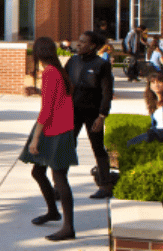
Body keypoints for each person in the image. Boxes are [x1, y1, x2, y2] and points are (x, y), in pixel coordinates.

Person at [20, 36, 78, 241]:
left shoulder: (50, 73)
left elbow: (48, 109)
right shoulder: (58, 71)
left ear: (38, 53)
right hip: (58, 128)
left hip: (56, 130)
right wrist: (37, 91)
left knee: (60, 178)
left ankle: (69, 228)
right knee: (38, 171)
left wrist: (35, 138)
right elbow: (55, 99)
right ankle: (53, 212)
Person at [64, 31, 115, 199]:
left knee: (97, 147)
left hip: (93, 113)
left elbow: (107, 92)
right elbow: (64, 83)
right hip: (73, 112)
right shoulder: (73, 61)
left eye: (83, 41)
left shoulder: (101, 64)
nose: (78, 44)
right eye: (78, 40)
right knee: (67, 146)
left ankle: (105, 185)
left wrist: (102, 116)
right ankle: (60, 185)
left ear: (92, 46)